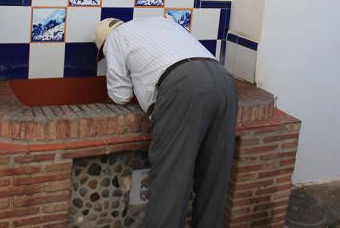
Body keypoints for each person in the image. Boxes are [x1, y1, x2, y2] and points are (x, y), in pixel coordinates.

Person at [94, 17, 238, 228]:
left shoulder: (115, 37)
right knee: (214, 177)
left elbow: (119, 94)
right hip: (224, 81)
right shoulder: (161, 22)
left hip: (183, 87)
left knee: (171, 181)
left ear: (104, 43)